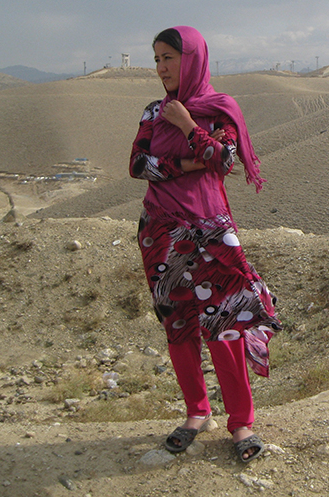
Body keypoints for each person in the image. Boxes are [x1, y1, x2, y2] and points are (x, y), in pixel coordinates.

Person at [129, 25, 282, 463]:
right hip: (160, 231)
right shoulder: (151, 111)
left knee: (225, 324)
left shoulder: (219, 109)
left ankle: (241, 422)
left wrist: (188, 125)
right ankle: (197, 412)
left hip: (211, 230)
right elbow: (138, 164)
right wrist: (188, 161)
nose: (160, 68)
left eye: (168, 59)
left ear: (191, 59)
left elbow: (224, 160)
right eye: (156, 59)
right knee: (178, 325)